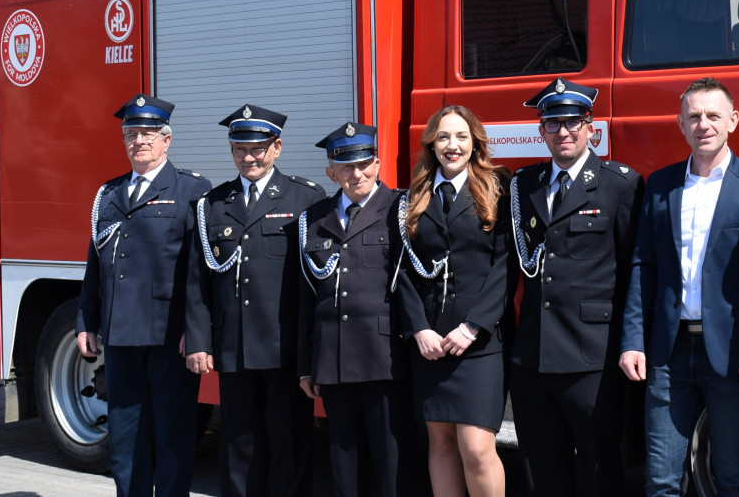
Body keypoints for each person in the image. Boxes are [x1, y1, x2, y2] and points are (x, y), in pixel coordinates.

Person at [618, 77, 739, 496]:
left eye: (713, 115)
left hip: (731, 354)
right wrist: (632, 340)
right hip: (668, 353)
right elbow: (643, 266)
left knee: (731, 477)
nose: (703, 124)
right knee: (661, 480)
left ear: (734, 120)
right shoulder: (660, 185)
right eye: (693, 116)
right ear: (680, 123)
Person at [508, 77, 644, 497]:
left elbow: (634, 270)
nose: (563, 132)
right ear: (540, 131)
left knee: (601, 468)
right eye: (552, 123)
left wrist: (631, 341)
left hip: (592, 357)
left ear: (591, 128)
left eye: (573, 122)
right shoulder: (523, 184)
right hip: (533, 355)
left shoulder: (620, 184)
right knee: (542, 471)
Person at [184, 104, 325, 497]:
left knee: (288, 445)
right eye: (239, 149)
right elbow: (198, 280)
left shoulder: (305, 198)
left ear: (276, 147)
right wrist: (198, 341)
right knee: (239, 447)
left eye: (258, 148)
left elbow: (316, 282)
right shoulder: (212, 205)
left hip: (284, 349)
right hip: (235, 349)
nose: (248, 158)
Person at [77, 94, 210, 497]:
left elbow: (199, 272)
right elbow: (95, 265)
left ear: (166, 140)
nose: (139, 141)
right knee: (124, 441)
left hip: (169, 338)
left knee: (172, 437)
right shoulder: (109, 194)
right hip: (121, 339)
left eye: (148, 134)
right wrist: (87, 321)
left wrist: (197, 333)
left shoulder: (192, 190)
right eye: (131, 134)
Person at [297, 121, 428, 497]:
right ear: (331, 172)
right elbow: (307, 296)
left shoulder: (402, 210)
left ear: (378, 163)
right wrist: (307, 364)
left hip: (385, 359)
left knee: (393, 465)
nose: (357, 174)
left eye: (364, 163)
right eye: (346, 166)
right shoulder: (313, 218)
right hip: (334, 359)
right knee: (344, 466)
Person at [395, 105, 514, 497]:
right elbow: (402, 270)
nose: (452, 145)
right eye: (443, 137)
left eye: (461, 136)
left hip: (480, 341)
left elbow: (505, 266)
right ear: (432, 144)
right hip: (431, 344)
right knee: (441, 444)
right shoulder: (413, 197)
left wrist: (474, 325)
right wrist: (418, 329)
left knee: (477, 448)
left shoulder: (498, 187)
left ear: (474, 142)